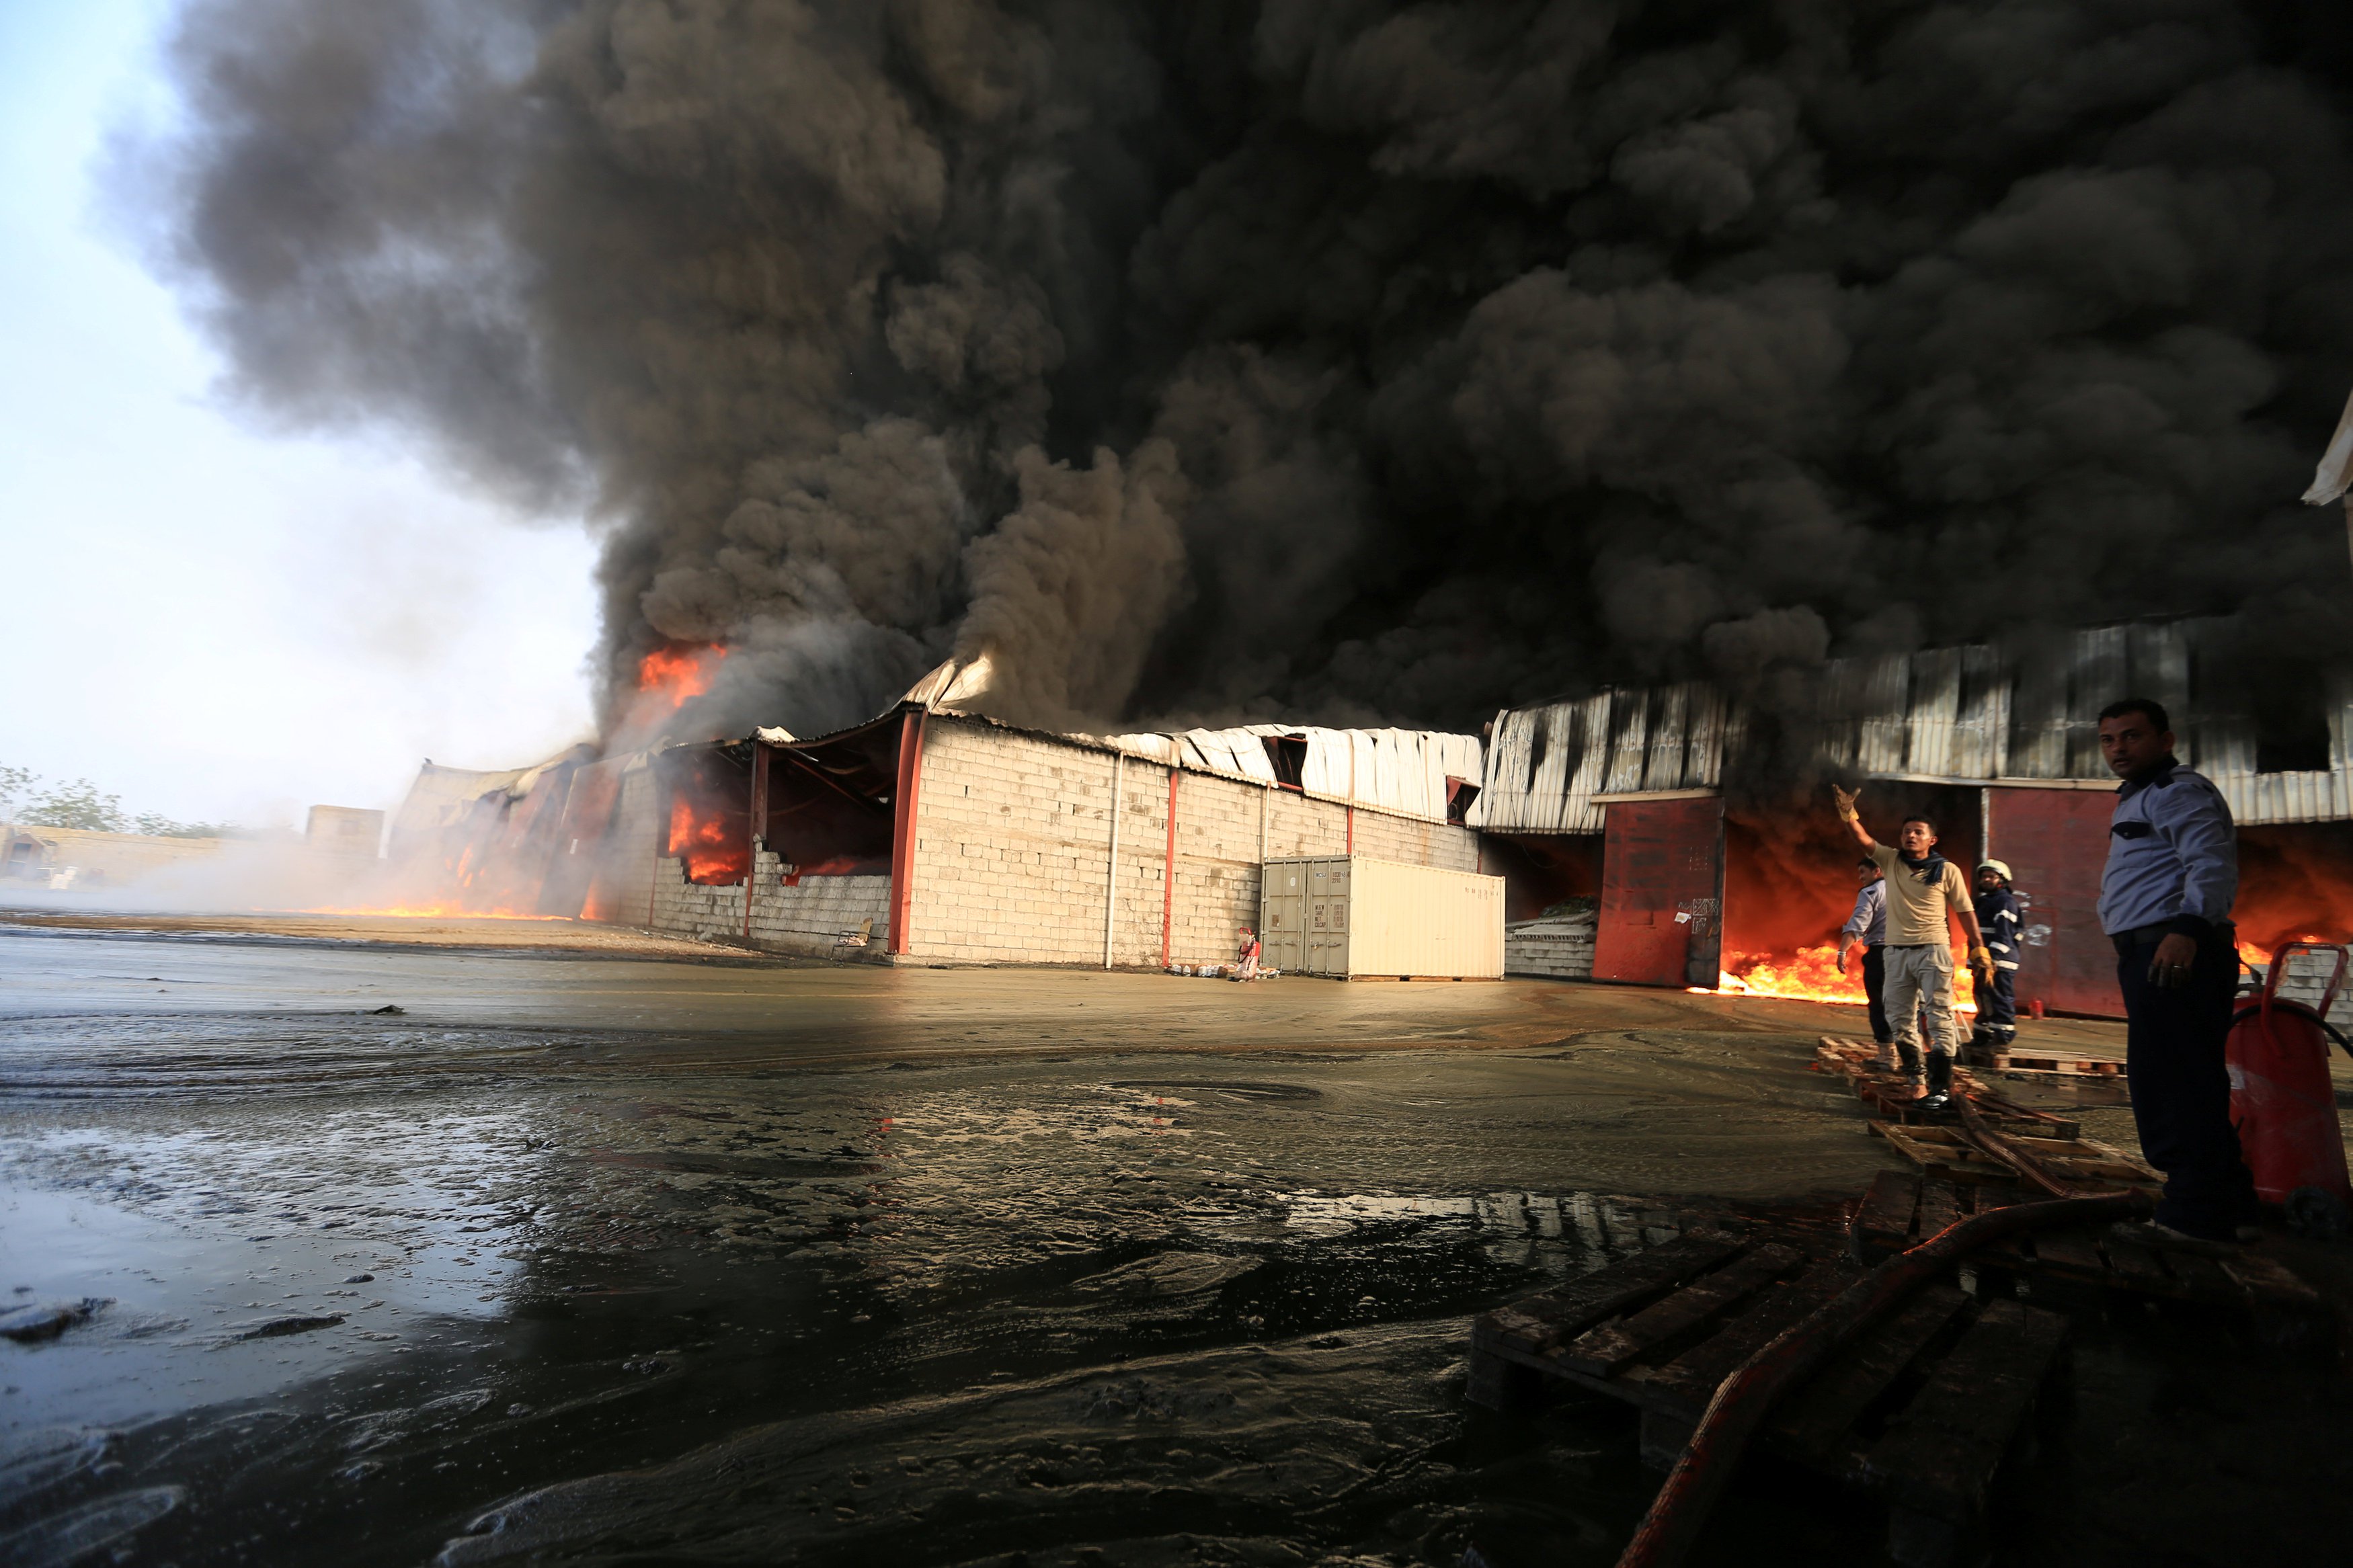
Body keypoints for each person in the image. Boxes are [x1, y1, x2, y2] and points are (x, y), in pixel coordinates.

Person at [2096, 697, 2259, 1243]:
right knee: (2189, 1075)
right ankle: (2228, 1202)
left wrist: (2186, 931)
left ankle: (2192, 1215)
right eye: (2109, 739)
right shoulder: (2138, 798)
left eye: (2132, 736)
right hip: (2157, 950)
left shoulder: (2178, 791)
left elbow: (2210, 863)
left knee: (2170, 1078)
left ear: (2165, 740)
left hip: (2173, 951)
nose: (2119, 747)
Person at [1831, 787, 1995, 1110]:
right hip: (1895, 953)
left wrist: (1980, 950)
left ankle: (1941, 1089)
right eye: (1907, 832)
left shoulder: (1947, 871)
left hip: (1933, 951)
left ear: (1931, 839)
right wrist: (1848, 813)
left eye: (1918, 832)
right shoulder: (1891, 861)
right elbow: (1863, 840)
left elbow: (1965, 911)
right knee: (1899, 1018)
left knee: (1938, 1017)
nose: (1911, 836)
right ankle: (1916, 1082)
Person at [1836, 858, 1895, 1068]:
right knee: (1905, 1006)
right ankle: (1916, 1056)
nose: (1861, 878)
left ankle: (1887, 1056)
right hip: (1909, 954)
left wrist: (1842, 951)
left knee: (1879, 1004)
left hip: (1881, 954)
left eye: (1863, 872)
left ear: (1877, 871)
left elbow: (1858, 925)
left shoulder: (1871, 892)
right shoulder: (1907, 889)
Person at [1971, 860, 2023, 1050]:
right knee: (1982, 997)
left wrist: (1992, 957)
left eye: (1991, 877)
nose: (1987, 880)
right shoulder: (1984, 901)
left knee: (1999, 997)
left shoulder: (2005, 902)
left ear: (2003, 880)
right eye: (1984, 877)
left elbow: (2005, 933)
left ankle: (2002, 1038)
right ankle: (1982, 1036)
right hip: (1984, 961)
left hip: (1999, 961)